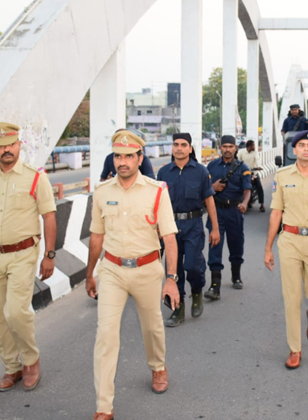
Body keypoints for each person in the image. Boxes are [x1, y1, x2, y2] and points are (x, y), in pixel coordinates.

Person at [85, 130, 180, 420]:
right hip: (112, 270)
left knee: (152, 327)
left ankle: (157, 365)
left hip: (148, 269)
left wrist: (171, 279)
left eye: (128, 156)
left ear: (140, 158)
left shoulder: (156, 191)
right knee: (105, 335)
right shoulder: (102, 192)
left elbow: (170, 239)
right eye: (117, 156)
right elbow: (96, 238)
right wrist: (90, 273)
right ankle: (104, 407)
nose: (122, 162)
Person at [0, 122, 57, 392]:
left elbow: (49, 216)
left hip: (24, 253)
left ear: (19, 145)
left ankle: (30, 360)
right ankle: (11, 367)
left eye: (11, 144)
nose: (6, 149)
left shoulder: (35, 177)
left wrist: (49, 255)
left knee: (16, 311)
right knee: (0, 316)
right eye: (0, 145)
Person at [263, 130, 308, 369]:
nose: (306, 148)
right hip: (290, 241)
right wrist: (268, 248)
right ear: (294, 150)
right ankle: (295, 349)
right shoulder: (283, 175)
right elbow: (276, 212)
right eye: (302, 145)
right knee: (292, 298)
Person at [157, 133, 221, 327]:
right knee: (173, 269)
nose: (179, 148)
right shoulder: (163, 173)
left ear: (190, 148)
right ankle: (178, 308)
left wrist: (215, 228)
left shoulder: (201, 172)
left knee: (193, 265)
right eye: (175, 144)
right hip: (170, 227)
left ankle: (196, 291)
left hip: (193, 225)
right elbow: (156, 202)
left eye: (183, 145)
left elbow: (209, 200)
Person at [204, 135, 252, 299]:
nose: (227, 149)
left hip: (234, 211)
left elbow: (247, 189)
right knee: (214, 245)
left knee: (236, 244)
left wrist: (245, 203)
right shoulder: (211, 166)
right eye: (224, 146)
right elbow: (204, 189)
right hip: (216, 210)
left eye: (230, 146)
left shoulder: (242, 167)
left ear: (235, 148)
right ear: (220, 148)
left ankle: (236, 275)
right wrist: (213, 187)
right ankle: (214, 286)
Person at [237, 139, 265, 212]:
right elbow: (237, 160)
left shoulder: (255, 153)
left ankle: (262, 204)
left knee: (259, 187)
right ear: (249, 146)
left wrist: (259, 166)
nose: (254, 147)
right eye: (253, 145)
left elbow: (258, 159)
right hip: (244, 173)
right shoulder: (241, 152)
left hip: (253, 172)